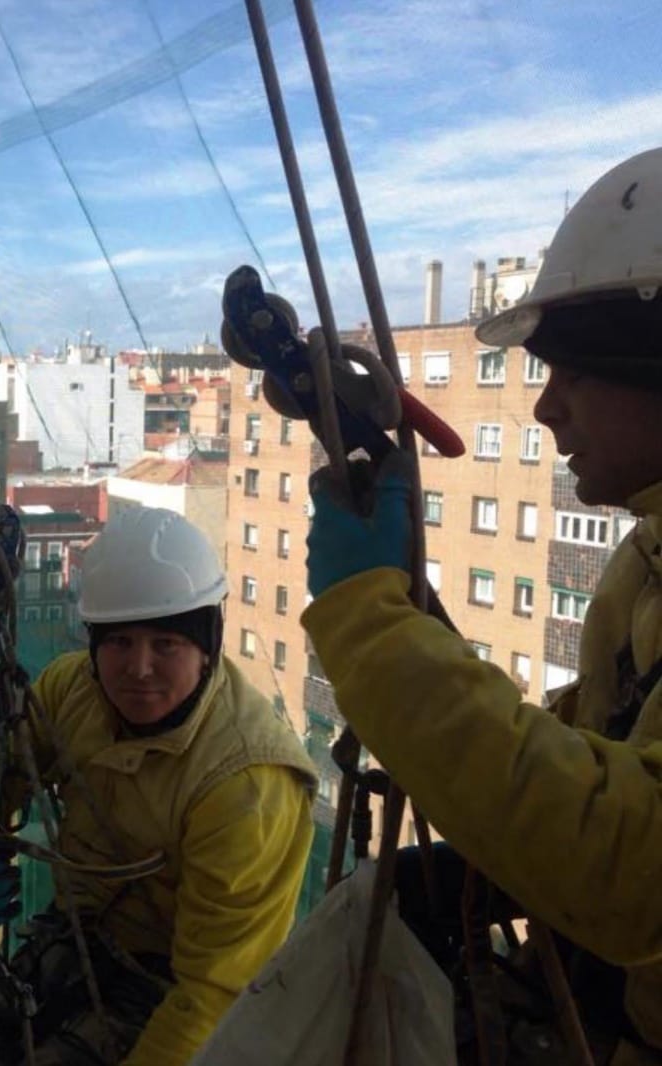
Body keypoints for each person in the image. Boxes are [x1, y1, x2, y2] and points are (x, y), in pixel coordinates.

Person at [302, 147, 662, 1064]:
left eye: (574, 372)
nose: (547, 412)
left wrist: (370, 623)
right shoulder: (643, 568)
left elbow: (635, 869)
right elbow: (590, 752)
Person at [0, 507, 318, 1066]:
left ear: (207, 644)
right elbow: (2, 779)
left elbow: (213, 994)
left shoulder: (246, 782)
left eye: (166, 644)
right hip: (73, 944)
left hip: (166, 987)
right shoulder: (73, 689)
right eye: (118, 643)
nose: (138, 668)